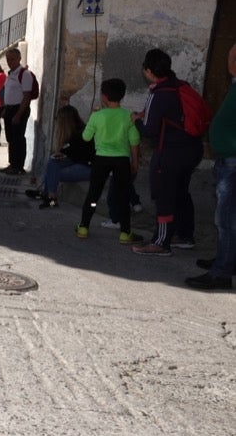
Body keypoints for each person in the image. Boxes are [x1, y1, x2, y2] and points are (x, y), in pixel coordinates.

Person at [132, 48, 204, 256]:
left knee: (164, 196)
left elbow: (149, 130)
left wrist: (136, 119)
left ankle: (161, 242)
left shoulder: (159, 94)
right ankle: (184, 235)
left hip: (170, 152)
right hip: (192, 149)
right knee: (181, 193)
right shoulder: (181, 86)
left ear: (148, 71)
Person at [186, 42, 236, 289]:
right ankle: (227, 260)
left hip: (233, 163)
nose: (230, 63)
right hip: (228, 161)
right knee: (228, 218)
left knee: (225, 220)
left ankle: (222, 273)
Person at [74, 79, 141, 244]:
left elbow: (86, 137)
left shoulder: (97, 115)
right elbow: (134, 141)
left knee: (94, 194)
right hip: (122, 160)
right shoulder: (128, 116)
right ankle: (125, 233)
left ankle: (83, 227)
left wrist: (91, 117)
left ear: (103, 97)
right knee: (123, 196)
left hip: (101, 159)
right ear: (122, 96)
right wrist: (135, 162)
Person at [24, 105, 93, 208]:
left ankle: (50, 197)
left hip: (88, 168)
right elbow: (70, 154)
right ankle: (48, 196)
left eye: (58, 119)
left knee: (53, 168)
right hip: (78, 163)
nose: (57, 122)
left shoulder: (81, 134)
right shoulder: (73, 132)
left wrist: (63, 156)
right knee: (53, 165)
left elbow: (79, 156)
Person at [0, 47, 36, 175]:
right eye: (8, 59)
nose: (10, 62)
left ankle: (19, 167)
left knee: (18, 138)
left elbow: (26, 96)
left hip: (19, 109)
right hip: (10, 109)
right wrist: (5, 109)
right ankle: (12, 164)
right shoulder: (10, 74)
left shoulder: (24, 74)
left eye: (13, 59)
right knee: (10, 138)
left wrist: (18, 114)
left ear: (19, 59)